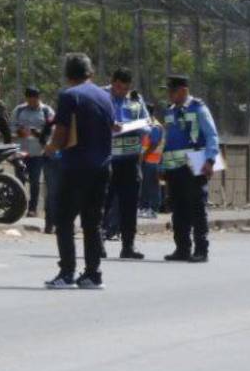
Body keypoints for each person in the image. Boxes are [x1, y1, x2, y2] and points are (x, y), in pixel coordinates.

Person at [44, 53, 115, 290]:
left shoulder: (69, 95)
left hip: (76, 168)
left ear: (68, 74)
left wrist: (51, 148)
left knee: (64, 220)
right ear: (90, 73)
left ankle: (67, 273)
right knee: (92, 223)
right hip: (103, 167)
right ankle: (93, 275)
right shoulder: (105, 97)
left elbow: (62, 132)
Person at [160, 74, 219, 263]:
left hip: (195, 162)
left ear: (184, 91)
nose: (169, 94)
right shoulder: (170, 112)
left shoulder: (199, 109)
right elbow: (168, 141)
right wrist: (162, 165)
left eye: (172, 91)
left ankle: (201, 249)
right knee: (178, 208)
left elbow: (211, 135)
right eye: (168, 91)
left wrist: (210, 160)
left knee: (197, 207)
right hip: (174, 166)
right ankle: (182, 248)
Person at [104, 69, 149, 260]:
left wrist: (137, 127)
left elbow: (148, 123)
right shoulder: (101, 97)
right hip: (107, 158)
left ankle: (128, 245)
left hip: (130, 160)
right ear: (112, 82)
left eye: (126, 88)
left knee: (129, 205)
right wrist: (109, 125)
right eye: (119, 87)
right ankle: (98, 243)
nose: (122, 92)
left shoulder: (136, 100)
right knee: (103, 203)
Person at [11, 86, 54, 220]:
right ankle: (18, 207)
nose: (31, 102)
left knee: (35, 181)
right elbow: (11, 126)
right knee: (19, 180)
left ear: (38, 98)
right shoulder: (19, 110)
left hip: (37, 152)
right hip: (21, 151)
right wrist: (19, 132)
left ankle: (33, 209)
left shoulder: (47, 110)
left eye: (34, 99)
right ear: (26, 98)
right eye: (29, 99)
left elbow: (53, 130)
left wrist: (37, 133)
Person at [139, 108, 165, 218]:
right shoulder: (148, 125)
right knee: (146, 185)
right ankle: (145, 208)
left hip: (152, 160)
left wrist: (143, 156)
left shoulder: (155, 126)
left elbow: (154, 144)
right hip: (148, 159)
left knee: (152, 185)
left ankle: (153, 209)